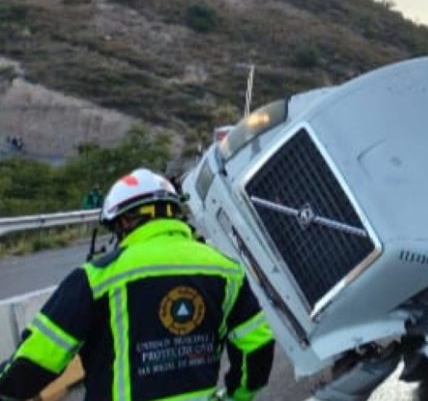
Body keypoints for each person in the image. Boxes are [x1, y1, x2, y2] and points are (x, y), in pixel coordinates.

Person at [0, 168, 275, 400]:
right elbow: (257, 345)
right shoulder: (226, 270)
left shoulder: (97, 278)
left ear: (126, 220)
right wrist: (236, 396)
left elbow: (34, 362)